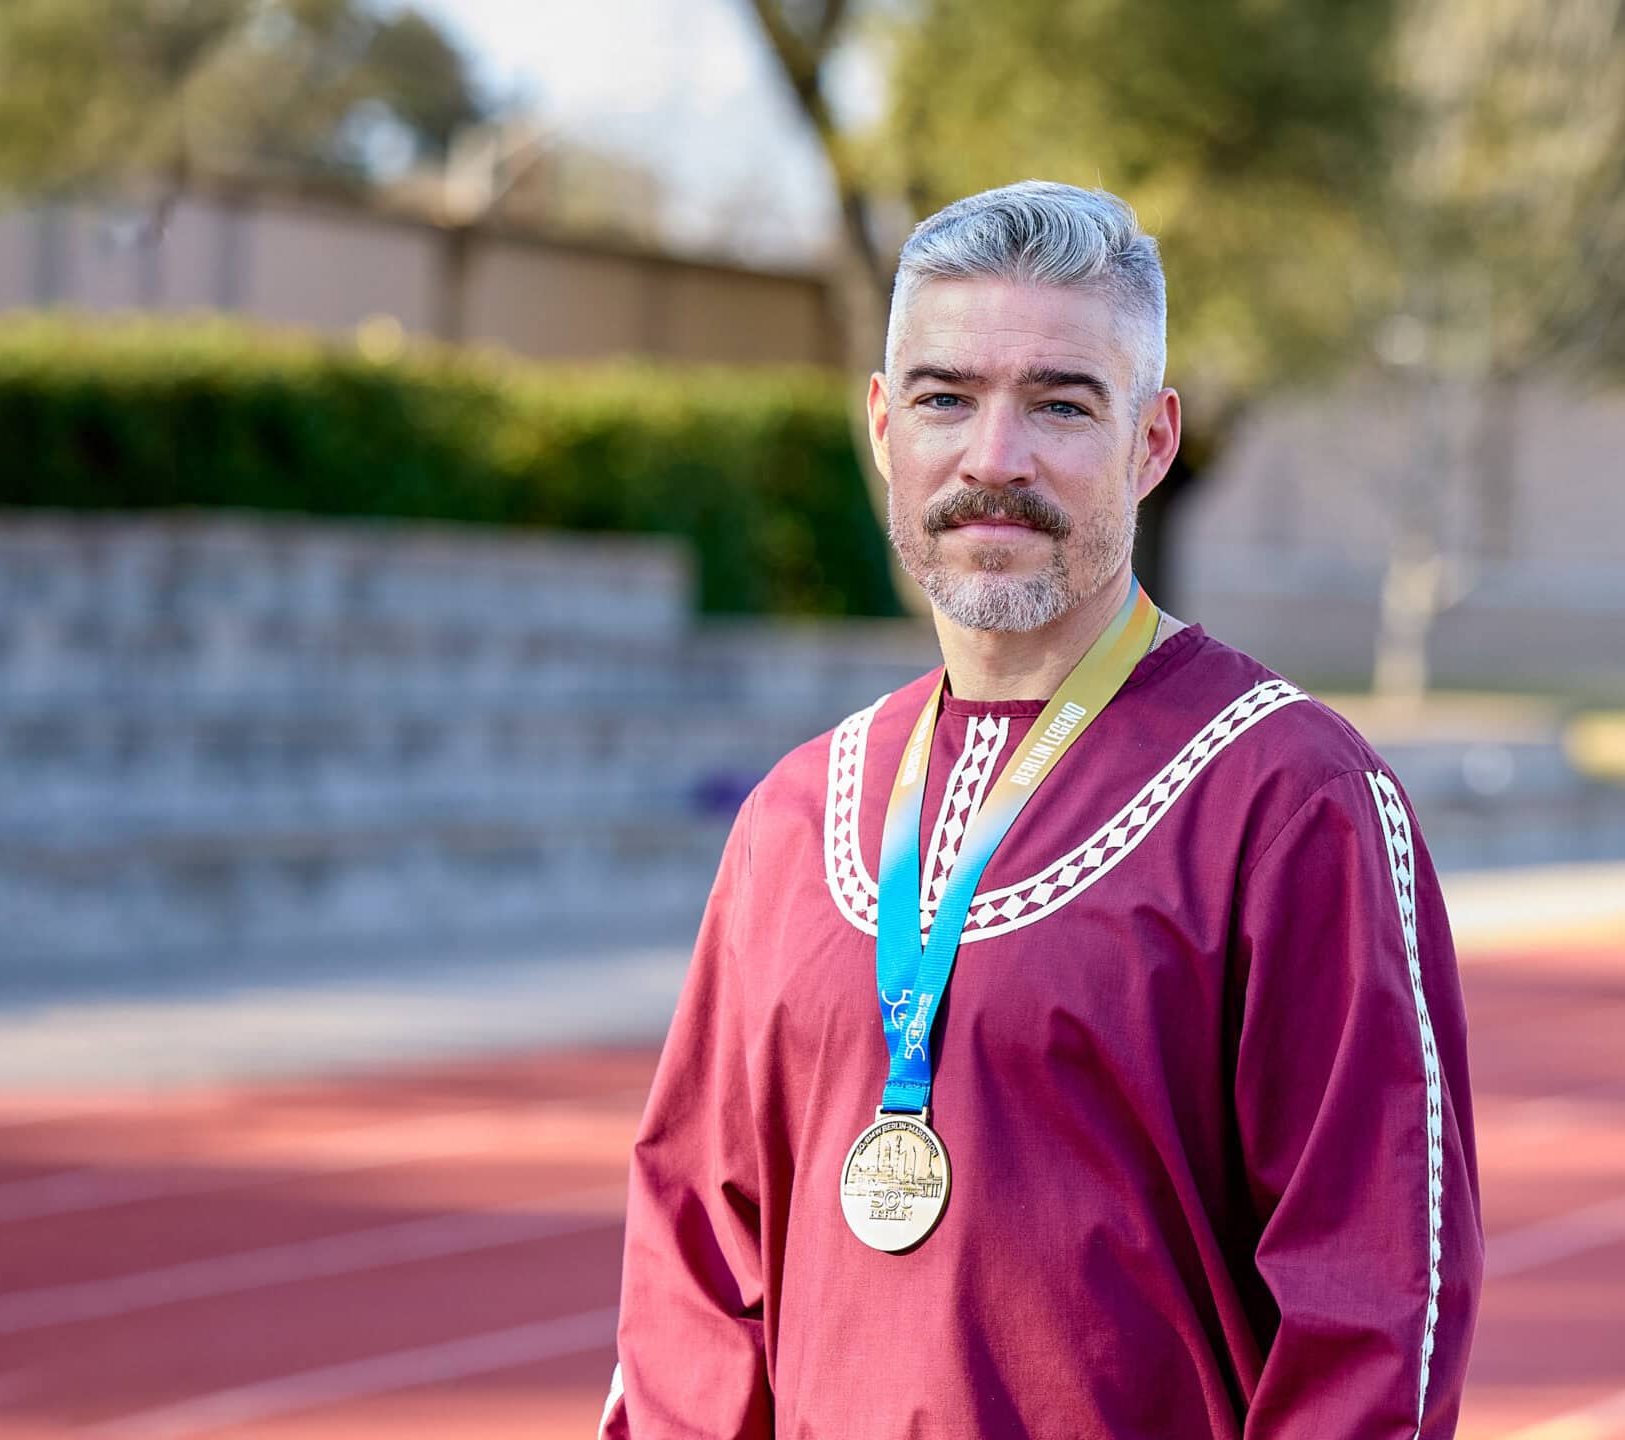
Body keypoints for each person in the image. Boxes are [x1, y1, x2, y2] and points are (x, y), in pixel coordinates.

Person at [604, 180, 1480, 1439]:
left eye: (1060, 404)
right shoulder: (794, 817)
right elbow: (694, 1267)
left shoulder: (1290, 800)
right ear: (881, 427)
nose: (993, 458)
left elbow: (1375, 1305)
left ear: (1153, 442)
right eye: (944, 398)